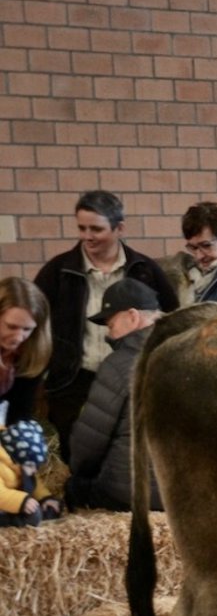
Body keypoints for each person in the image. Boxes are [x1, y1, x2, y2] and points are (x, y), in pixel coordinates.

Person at [33, 190, 179, 459]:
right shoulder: (58, 271)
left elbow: (173, 319)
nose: (87, 236)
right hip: (75, 382)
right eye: (82, 228)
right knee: (76, 454)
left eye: (96, 229)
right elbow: (35, 323)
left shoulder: (145, 269)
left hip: (133, 377)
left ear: (119, 228)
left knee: (128, 453)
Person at [64, 279, 164, 512]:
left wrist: (78, 473)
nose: (109, 334)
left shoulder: (120, 365)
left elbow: (88, 445)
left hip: (129, 494)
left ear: (132, 316)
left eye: (111, 325)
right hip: (187, 497)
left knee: (74, 488)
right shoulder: (193, 355)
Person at [0, 277, 52, 428]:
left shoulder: (33, 351)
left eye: (27, 329)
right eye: (11, 326)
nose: (18, 337)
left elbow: (21, 410)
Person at [0, 418, 62, 526]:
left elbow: (32, 481)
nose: (35, 470)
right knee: (33, 516)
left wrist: (44, 498)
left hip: (8, 501)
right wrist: (22, 501)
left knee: (45, 511)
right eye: (31, 465)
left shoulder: (21, 460)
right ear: (16, 459)